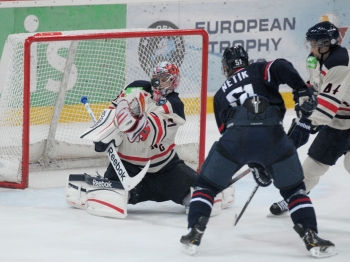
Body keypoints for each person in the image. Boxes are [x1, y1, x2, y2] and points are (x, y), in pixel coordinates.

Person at [180, 45, 336, 258]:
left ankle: (194, 232)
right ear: (246, 60)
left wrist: (254, 164)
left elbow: (232, 136)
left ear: (226, 67)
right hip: (273, 137)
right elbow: (281, 65)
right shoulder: (258, 69)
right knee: (295, 191)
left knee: (205, 186)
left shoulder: (219, 95)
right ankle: (311, 236)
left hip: (236, 138)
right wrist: (301, 90)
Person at [66, 61, 235, 218]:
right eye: (157, 78)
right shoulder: (135, 88)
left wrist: (132, 123)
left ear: (174, 83)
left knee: (203, 198)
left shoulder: (174, 105)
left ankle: (212, 189)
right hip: (127, 167)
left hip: (165, 169)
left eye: (165, 80)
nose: (159, 83)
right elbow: (112, 112)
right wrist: (104, 134)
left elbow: (150, 132)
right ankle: (111, 191)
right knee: (110, 196)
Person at [269, 21, 350, 217]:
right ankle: (293, 198)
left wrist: (308, 122)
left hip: (339, 117)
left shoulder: (340, 63)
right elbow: (313, 87)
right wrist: (302, 103)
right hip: (338, 124)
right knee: (311, 168)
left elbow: (328, 104)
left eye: (315, 44)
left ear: (327, 44)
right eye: (310, 44)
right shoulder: (315, 59)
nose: (311, 48)